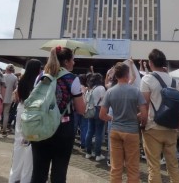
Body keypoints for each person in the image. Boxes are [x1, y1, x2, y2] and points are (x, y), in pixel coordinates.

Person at [30, 47, 85, 183]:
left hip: (40, 126)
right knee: (59, 173)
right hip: (63, 129)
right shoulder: (72, 79)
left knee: (38, 172)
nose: (74, 63)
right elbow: (81, 110)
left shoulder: (41, 76)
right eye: (73, 60)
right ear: (66, 62)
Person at [100, 62, 147, 183]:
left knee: (116, 167)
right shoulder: (136, 91)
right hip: (132, 131)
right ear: (127, 75)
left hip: (115, 130)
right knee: (132, 168)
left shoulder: (110, 91)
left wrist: (113, 118)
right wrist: (136, 118)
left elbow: (102, 115)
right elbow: (144, 113)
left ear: (115, 76)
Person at [140, 48, 179, 183]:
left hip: (153, 127)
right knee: (173, 166)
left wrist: (143, 124)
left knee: (154, 167)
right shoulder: (174, 81)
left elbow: (144, 105)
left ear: (150, 63)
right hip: (171, 128)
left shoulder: (147, 79)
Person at [9, 59, 42, 183]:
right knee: (29, 146)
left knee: (18, 143)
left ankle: (14, 176)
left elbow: (17, 98)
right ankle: (25, 178)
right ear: (37, 69)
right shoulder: (38, 82)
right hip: (32, 114)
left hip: (20, 111)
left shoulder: (22, 80)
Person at [85, 72, 106, 161]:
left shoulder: (90, 89)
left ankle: (88, 152)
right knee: (98, 132)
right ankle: (98, 154)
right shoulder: (101, 88)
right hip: (99, 110)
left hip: (91, 110)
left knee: (89, 131)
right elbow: (104, 100)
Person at [2, 64, 18, 136]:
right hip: (9, 97)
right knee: (6, 114)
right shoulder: (14, 77)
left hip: (1, 96)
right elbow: (15, 88)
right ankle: (4, 130)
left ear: (6, 69)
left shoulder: (3, 76)